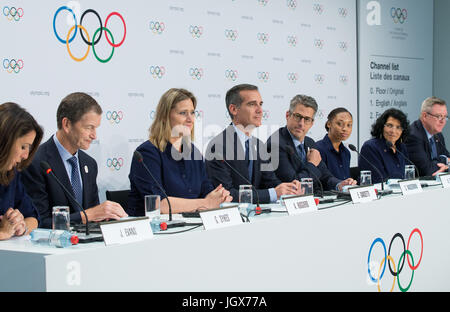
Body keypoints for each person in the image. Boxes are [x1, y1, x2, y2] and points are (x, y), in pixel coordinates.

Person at [22, 92, 127, 229]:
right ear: (66, 124)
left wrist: (106, 215)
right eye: (89, 127)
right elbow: (39, 221)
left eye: (96, 128)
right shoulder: (36, 162)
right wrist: (87, 216)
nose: (94, 135)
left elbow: (95, 214)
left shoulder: (89, 163)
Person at [128, 88, 232, 216]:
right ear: (165, 116)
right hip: (153, 230)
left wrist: (219, 197)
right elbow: (159, 205)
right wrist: (206, 203)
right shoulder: (147, 153)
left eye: (192, 113)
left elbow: (207, 192)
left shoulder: (194, 153)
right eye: (183, 113)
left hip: (190, 226)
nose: (190, 119)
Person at [205, 84, 302, 204]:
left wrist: (289, 189)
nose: (260, 110)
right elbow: (226, 194)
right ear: (234, 109)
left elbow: (270, 181)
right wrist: (274, 193)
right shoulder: (218, 147)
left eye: (260, 104)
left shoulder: (259, 145)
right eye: (252, 104)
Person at [266, 95, 356, 194]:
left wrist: (339, 184)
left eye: (307, 119)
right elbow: (294, 185)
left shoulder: (310, 142)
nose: (301, 123)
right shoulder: (275, 144)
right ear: (288, 115)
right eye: (298, 117)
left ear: (312, 123)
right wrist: (312, 164)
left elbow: (325, 175)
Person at [0, 102, 43, 240]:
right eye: (23, 147)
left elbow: (34, 219)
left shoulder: (11, 175)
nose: (25, 156)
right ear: (5, 140)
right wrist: (3, 233)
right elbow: (4, 232)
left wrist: (20, 226)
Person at [359, 108, 410, 183]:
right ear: (382, 126)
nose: (393, 131)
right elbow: (377, 180)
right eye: (389, 125)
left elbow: (407, 176)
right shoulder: (370, 147)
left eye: (398, 127)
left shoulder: (401, 147)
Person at [405, 96, 450, 176]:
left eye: (445, 117)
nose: (443, 121)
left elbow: (448, 157)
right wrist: (444, 160)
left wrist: (443, 161)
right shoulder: (413, 136)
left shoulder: (438, 134)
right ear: (425, 116)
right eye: (439, 116)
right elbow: (426, 170)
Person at [316, 108, 353, 180]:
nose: (345, 129)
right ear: (329, 124)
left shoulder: (346, 152)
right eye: (340, 124)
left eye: (349, 125)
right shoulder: (318, 149)